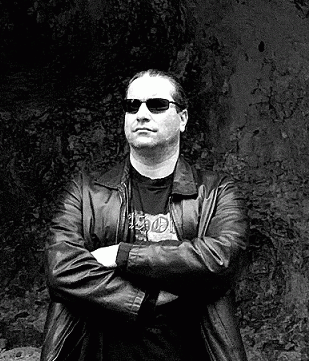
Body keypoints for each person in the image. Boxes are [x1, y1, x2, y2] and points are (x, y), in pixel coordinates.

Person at [41, 69, 249, 361]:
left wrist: (122, 255)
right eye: (132, 105)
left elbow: (221, 259)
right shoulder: (86, 191)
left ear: (183, 119)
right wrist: (148, 299)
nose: (141, 114)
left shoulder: (215, 192)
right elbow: (61, 268)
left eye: (157, 105)